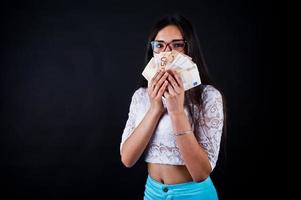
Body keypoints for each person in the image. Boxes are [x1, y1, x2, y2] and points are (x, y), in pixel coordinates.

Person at [120, 13, 225, 200]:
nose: (167, 53)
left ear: (189, 49)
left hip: (194, 195)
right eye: (159, 45)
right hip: (152, 193)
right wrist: (155, 109)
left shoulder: (208, 96)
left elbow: (201, 173)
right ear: (152, 51)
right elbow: (127, 159)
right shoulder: (141, 96)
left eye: (177, 44)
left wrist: (176, 112)